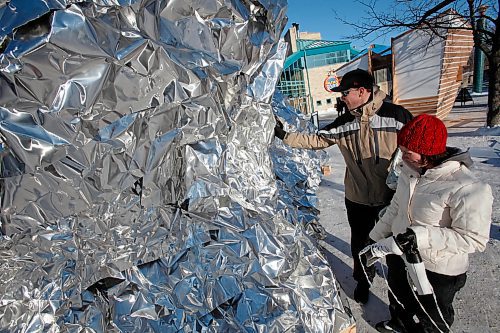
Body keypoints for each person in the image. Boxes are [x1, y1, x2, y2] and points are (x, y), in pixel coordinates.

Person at [274, 69, 413, 304]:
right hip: (357, 199)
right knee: (361, 244)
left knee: (394, 248)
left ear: (362, 91)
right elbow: (316, 140)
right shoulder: (344, 123)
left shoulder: (396, 116)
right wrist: (283, 135)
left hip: (392, 199)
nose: (342, 97)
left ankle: (399, 297)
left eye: (345, 92)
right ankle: (363, 281)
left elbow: (418, 146)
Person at [367, 114, 493, 333]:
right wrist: (375, 236)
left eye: (408, 152)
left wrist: (421, 237)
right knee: (399, 296)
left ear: (428, 153)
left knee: (433, 314)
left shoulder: (467, 188)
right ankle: (400, 323)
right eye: (402, 150)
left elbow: (474, 239)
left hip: (438, 268)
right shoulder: (410, 171)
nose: (402, 157)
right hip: (400, 254)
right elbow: (396, 208)